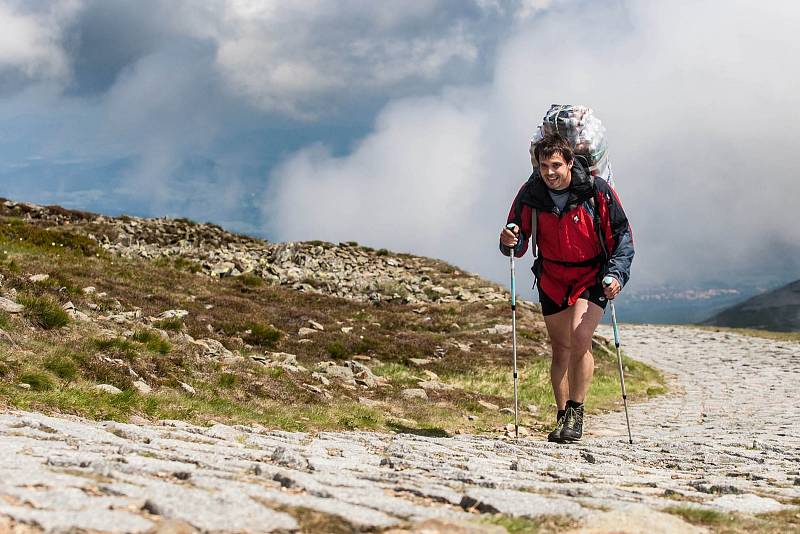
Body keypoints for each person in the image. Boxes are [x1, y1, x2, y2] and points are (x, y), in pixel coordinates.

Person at [499, 133, 634, 442]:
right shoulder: (531, 193)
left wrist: (616, 275)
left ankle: (576, 412)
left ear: (571, 163)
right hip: (552, 276)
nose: (549, 172)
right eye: (544, 165)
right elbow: (517, 239)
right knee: (560, 349)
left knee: (580, 337)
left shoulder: (596, 190)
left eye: (556, 165)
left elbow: (621, 235)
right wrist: (510, 240)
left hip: (591, 274)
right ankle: (562, 417)